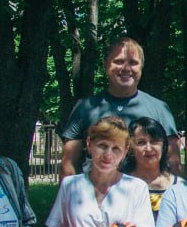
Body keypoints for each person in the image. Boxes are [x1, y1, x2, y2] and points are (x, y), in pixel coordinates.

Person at [60, 37, 180, 177]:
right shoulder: (85, 108)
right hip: (96, 189)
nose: (126, 68)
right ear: (105, 65)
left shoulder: (160, 109)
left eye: (133, 63)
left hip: (147, 189)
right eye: (119, 62)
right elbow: (69, 163)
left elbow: (173, 163)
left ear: (141, 67)